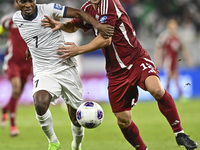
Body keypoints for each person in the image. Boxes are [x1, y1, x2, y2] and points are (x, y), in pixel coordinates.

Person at [41, 0, 198, 150]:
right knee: (123, 120)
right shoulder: (88, 8)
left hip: (135, 58)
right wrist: (60, 25)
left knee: (156, 89)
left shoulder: (109, 3)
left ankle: (179, 133)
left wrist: (78, 50)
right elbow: (74, 26)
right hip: (115, 72)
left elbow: (106, 40)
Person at [13, 0, 113, 150]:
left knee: (76, 118)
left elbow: (79, 13)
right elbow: (29, 32)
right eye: (23, 2)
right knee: (40, 104)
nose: (28, 5)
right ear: (16, 3)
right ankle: (53, 142)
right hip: (44, 70)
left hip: (65, 67)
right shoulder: (17, 18)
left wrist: (98, 26)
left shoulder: (49, 9)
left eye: (31, 1)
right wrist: (30, 48)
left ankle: (76, 146)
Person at [0, 1, 32, 137]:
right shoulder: (8, 20)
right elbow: (1, 31)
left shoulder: (35, 21)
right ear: (16, 4)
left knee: (17, 94)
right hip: (12, 62)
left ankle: (5, 109)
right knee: (16, 88)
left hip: (28, 63)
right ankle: (13, 126)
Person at [155, 19, 192, 99]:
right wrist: (158, 59)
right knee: (171, 77)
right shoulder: (165, 37)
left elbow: (183, 49)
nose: (173, 28)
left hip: (175, 61)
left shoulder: (178, 38)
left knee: (174, 77)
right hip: (168, 61)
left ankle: (167, 95)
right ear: (169, 27)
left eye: (174, 26)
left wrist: (188, 59)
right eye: (171, 26)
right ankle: (176, 94)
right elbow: (158, 47)